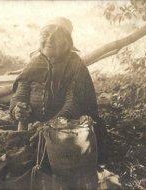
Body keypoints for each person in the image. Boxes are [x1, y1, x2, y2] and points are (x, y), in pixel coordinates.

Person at [9, 17, 107, 165]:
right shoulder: (35, 62)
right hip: (33, 127)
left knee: (56, 160)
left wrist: (48, 127)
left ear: (67, 42)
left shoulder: (75, 66)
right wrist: (17, 109)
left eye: (56, 36)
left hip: (67, 130)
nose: (49, 40)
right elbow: (20, 94)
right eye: (45, 35)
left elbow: (72, 106)